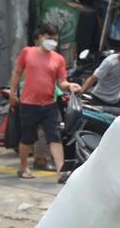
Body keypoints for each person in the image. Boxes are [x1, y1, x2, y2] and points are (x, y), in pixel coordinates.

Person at [8, 23, 79, 180]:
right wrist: (12, 94)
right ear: (41, 38)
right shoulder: (27, 52)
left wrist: (70, 86)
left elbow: (62, 82)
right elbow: (17, 73)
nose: (53, 42)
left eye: (55, 39)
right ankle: (23, 167)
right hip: (28, 104)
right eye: (50, 38)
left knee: (54, 137)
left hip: (49, 105)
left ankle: (61, 172)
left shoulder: (58, 59)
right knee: (27, 138)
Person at [78, 40, 120, 106]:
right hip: (99, 99)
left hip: (115, 101)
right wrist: (79, 94)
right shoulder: (110, 62)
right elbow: (93, 78)